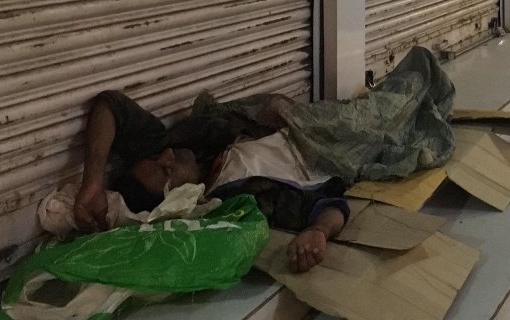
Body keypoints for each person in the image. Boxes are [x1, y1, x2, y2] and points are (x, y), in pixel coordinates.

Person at [71, 47, 454, 273]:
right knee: (404, 101)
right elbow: (328, 204)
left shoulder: (185, 145)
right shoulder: (243, 194)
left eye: (159, 157)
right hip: (333, 146)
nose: (167, 156)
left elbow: (110, 105)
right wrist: (319, 233)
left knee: (402, 86)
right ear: (178, 199)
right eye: (165, 170)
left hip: (310, 121)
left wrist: (92, 183)